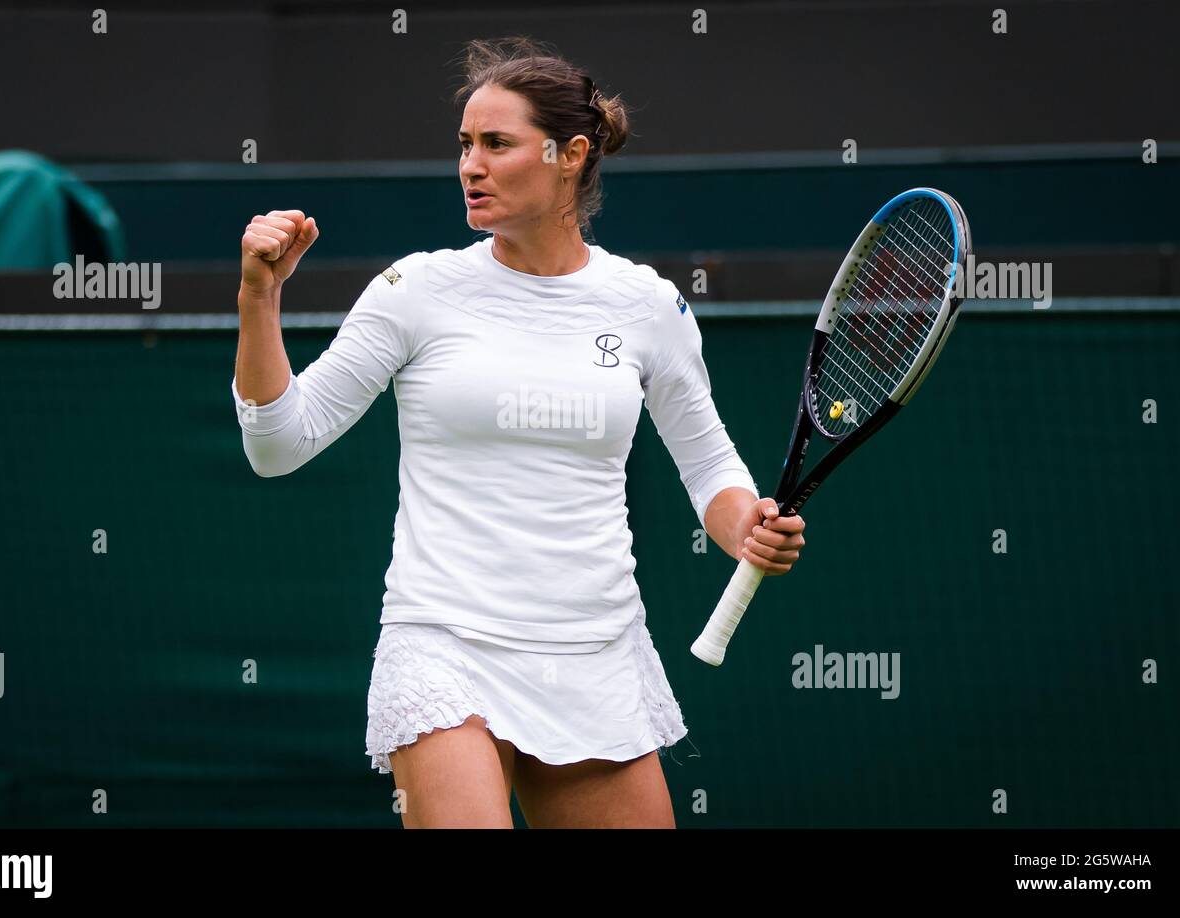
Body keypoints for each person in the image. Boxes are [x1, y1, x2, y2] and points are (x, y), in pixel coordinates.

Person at [230, 36, 806, 828]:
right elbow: (277, 444)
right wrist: (258, 298)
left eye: (496, 144)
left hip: (595, 651)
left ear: (570, 155)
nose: (471, 165)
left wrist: (745, 528)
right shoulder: (414, 290)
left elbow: (710, 466)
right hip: (444, 641)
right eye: (464, 144)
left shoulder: (648, 306)